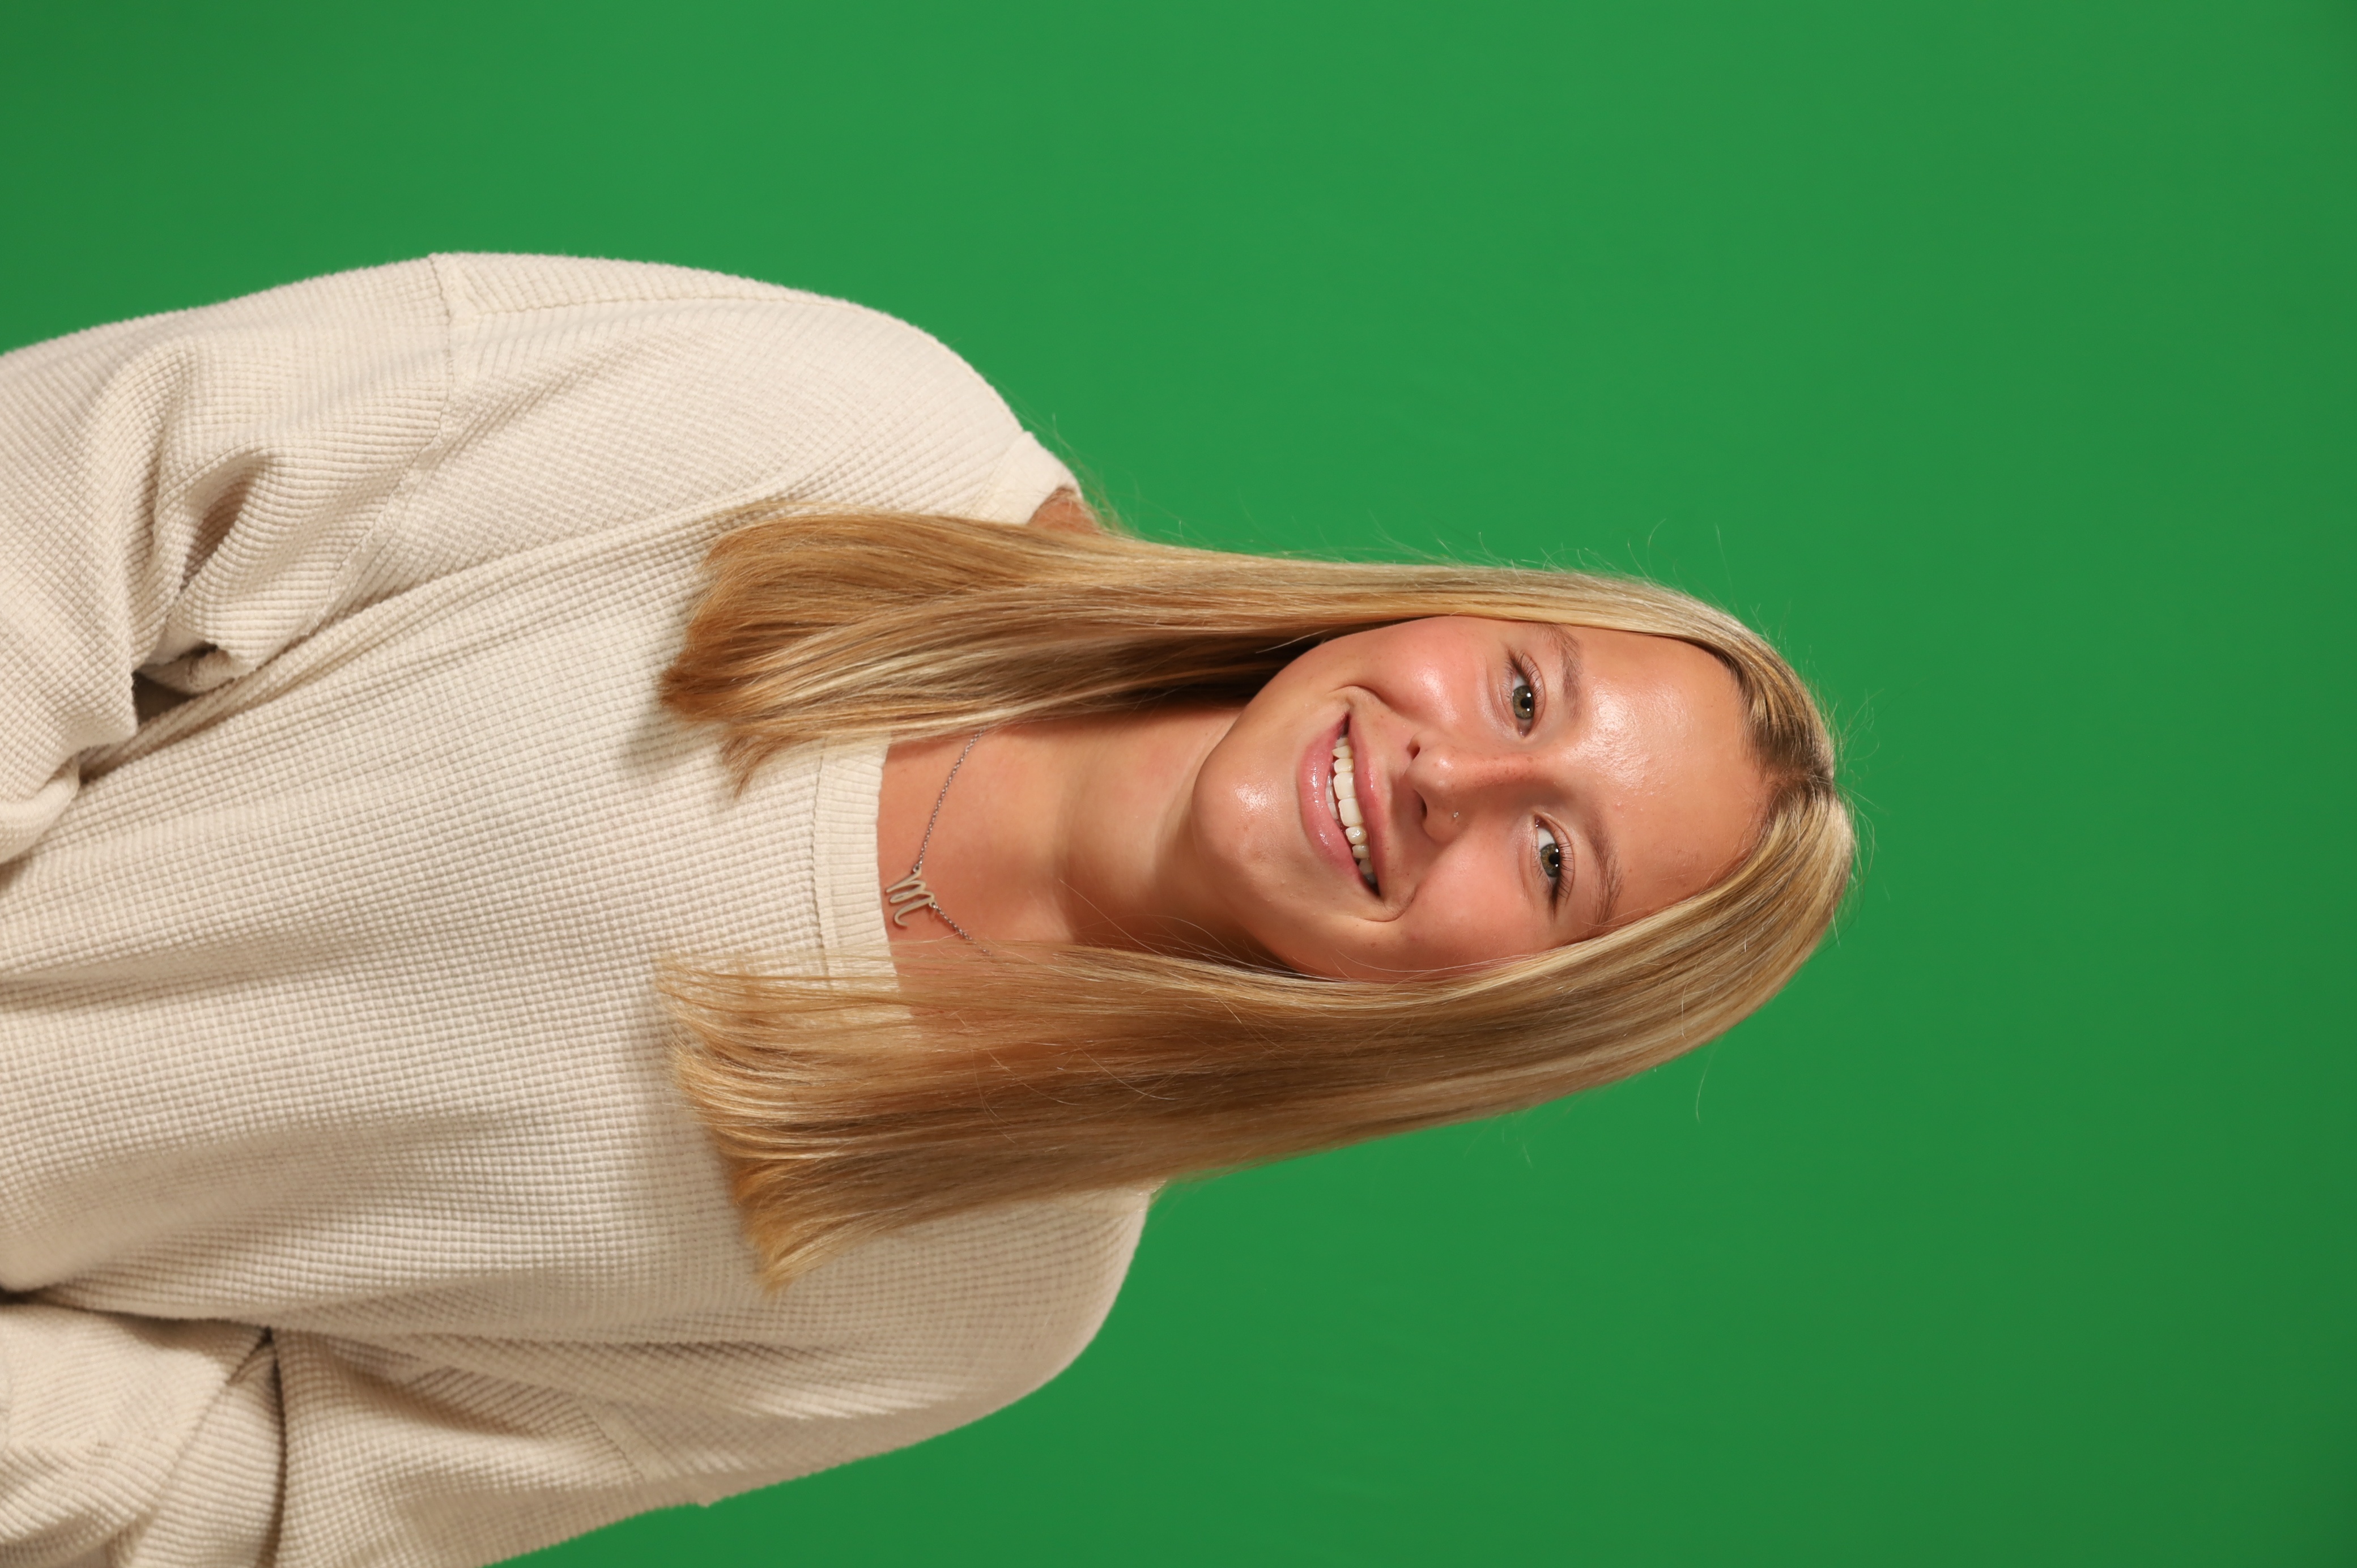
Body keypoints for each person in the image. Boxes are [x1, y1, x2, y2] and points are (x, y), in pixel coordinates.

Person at [0, 255, 1852, 1567]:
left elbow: (266, 1486)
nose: (1458, 777)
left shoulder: (988, 1293)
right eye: (1523, 691)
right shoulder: (848, 439)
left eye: (1553, 864)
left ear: (1512, 1014)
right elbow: (106, 483)